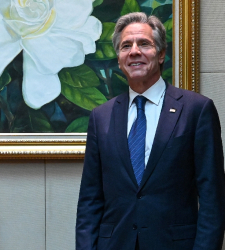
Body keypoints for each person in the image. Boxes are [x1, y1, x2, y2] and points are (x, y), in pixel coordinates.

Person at [76, 12, 225, 250]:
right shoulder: (100, 117)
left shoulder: (197, 110)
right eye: (126, 46)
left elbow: (212, 200)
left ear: (162, 53)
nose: (134, 51)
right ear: (119, 58)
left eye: (144, 44)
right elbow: (90, 200)